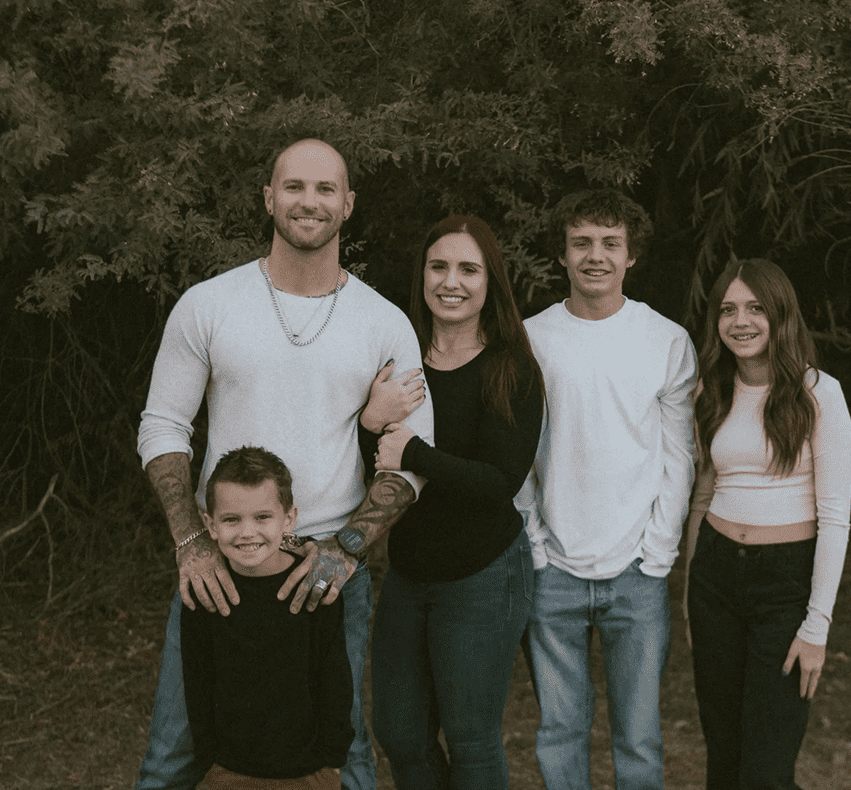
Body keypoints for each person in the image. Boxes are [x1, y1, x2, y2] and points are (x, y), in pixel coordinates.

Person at [135, 138, 433, 790]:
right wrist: (191, 539)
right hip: (225, 559)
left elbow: (408, 463)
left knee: (341, 751)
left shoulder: (382, 322)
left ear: (348, 204)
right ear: (269, 197)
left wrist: (350, 546)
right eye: (294, 186)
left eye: (326, 189)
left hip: (327, 572)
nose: (309, 201)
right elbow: (163, 425)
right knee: (175, 748)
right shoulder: (209, 305)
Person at [515, 189, 697, 790]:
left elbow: (679, 455)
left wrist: (658, 554)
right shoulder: (531, 338)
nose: (596, 256)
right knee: (559, 733)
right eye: (582, 243)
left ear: (631, 256)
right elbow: (517, 457)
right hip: (553, 572)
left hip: (637, 576)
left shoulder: (665, 340)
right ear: (563, 254)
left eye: (610, 244)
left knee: (638, 737)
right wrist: (536, 548)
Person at [356, 215, 545, 789]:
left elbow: (500, 481)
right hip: (411, 571)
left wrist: (417, 451)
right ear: (422, 276)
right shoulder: (397, 366)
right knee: (400, 732)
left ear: (491, 282)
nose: (451, 282)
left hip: (483, 571)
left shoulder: (510, 367)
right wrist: (370, 422)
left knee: (470, 741)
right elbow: (375, 463)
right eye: (439, 267)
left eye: (469, 269)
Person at [684, 258, 851, 790]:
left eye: (756, 307)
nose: (741, 321)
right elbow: (703, 495)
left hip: (784, 587)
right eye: (728, 309)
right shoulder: (711, 391)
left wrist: (817, 624)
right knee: (725, 754)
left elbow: (836, 519)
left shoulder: (819, 394)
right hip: (714, 579)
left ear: (780, 314)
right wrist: (690, 592)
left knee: (767, 765)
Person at [181, 446, 354, 790]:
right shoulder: (204, 595)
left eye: (262, 517)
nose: (247, 533)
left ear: (289, 519)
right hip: (228, 770)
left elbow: (334, 682)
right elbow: (198, 686)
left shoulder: (315, 589)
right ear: (210, 524)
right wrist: (208, 759)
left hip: (308, 771)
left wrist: (331, 762)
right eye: (231, 519)